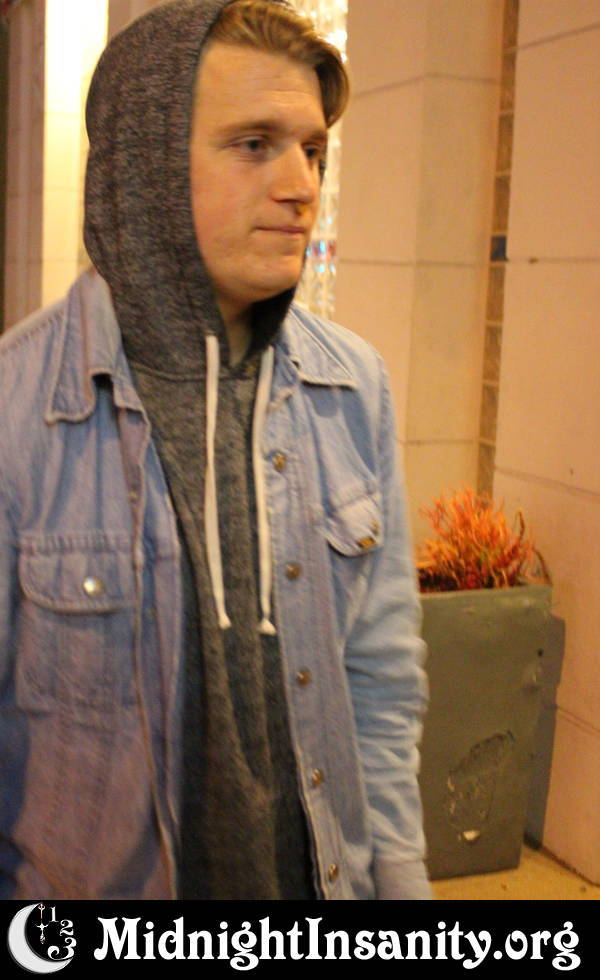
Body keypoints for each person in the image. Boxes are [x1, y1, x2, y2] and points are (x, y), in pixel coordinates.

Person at [0, 0, 430, 900]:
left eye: (312, 150)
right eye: (254, 144)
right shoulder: (19, 408)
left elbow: (380, 684)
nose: (302, 185)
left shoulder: (353, 388)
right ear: (146, 166)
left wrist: (401, 892)